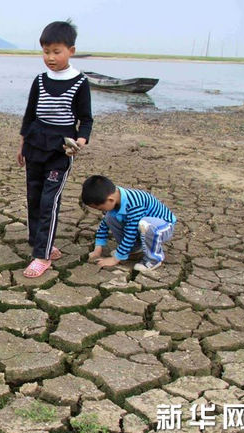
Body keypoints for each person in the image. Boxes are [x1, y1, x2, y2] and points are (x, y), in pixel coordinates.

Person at [17, 20, 93, 278]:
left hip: (60, 151)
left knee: (50, 202)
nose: (50, 58)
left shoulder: (80, 82)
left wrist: (80, 142)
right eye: (46, 51)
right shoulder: (39, 81)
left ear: (71, 50)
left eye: (56, 52)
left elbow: (86, 120)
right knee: (34, 198)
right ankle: (38, 242)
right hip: (35, 145)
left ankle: (43, 255)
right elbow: (29, 115)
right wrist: (22, 145)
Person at [81, 175, 177, 272]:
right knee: (110, 217)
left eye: (100, 208)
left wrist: (115, 259)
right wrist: (98, 248)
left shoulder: (134, 204)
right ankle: (134, 251)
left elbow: (131, 234)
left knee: (145, 224)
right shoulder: (113, 198)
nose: (100, 211)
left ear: (110, 200)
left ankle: (154, 259)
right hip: (143, 227)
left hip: (163, 227)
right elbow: (104, 225)